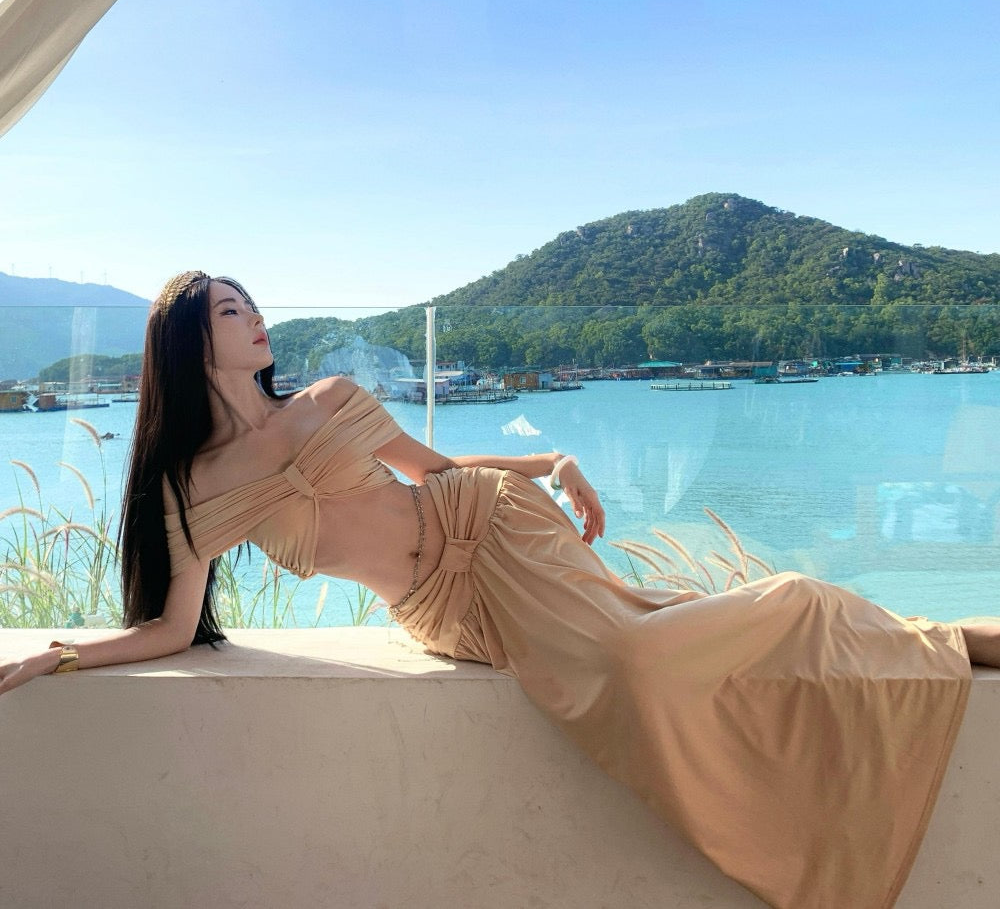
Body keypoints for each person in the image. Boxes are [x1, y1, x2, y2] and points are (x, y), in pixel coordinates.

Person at [2, 270, 999, 909]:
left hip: (494, 526)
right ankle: (905, 634)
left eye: (253, 304)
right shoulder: (192, 487)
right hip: (448, 608)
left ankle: (831, 612)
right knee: (649, 648)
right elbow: (172, 629)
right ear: (189, 341)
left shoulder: (329, 401)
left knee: (641, 652)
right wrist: (63, 653)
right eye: (232, 311)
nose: (257, 319)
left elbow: (436, 472)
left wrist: (550, 462)